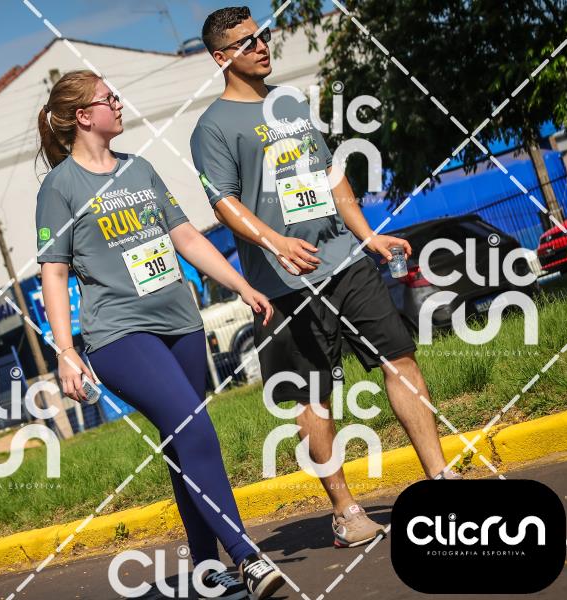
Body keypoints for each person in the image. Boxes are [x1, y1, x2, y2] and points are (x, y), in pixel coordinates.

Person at [190, 7, 460, 549]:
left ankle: (441, 480)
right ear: (221, 58)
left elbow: (332, 175)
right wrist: (276, 241)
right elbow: (222, 203)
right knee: (313, 396)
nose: (261, 46)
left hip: (345, 260)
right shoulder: (212, 128)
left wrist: (368, 235)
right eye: (246, 42)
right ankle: (345, 511)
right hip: (285, 282)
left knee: (400, 358)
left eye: (262, 36)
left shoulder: (290, 103)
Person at [35, 70, 285, 600]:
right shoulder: (60, 187)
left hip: (181, 322)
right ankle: (246, 557)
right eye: (109, 98)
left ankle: (206, 571)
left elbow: (186, 237)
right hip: (119, 333)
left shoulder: (140, 169)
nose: (118, 103)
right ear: (83, 116)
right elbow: (53, 271)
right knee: (195, 429)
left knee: (181, 442)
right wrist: (65, 350)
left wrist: (241, 285)